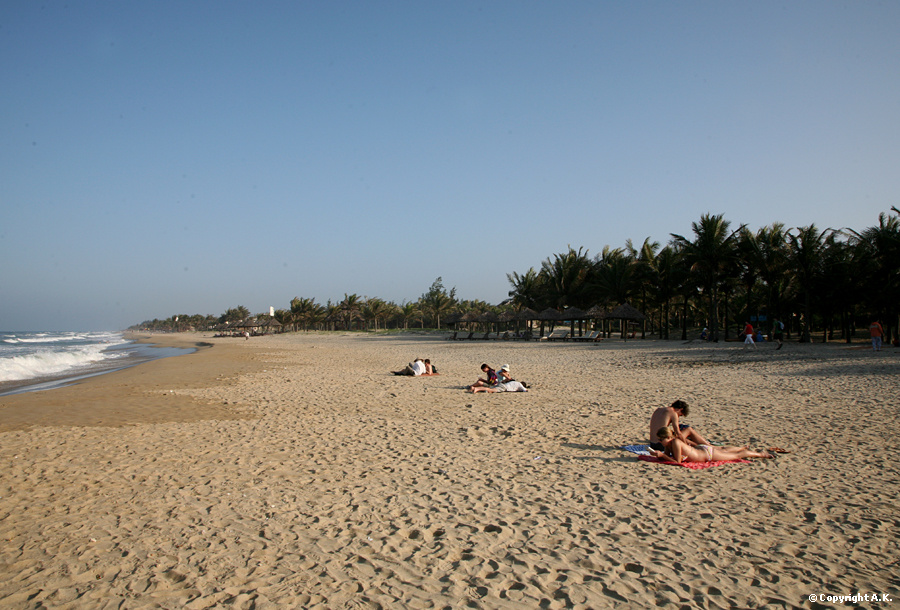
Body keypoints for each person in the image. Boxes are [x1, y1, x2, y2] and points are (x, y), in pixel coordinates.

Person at [649, 427, 775, 463]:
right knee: (724, 449)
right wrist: (658, 455)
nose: (660, 441)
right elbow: (666, 457)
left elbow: (677, 461)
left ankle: (761, 454)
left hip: (707, 454)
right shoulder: (669, 444)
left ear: (669, 437)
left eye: (661, 439)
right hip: (701, 450)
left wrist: (661, 455)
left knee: (737, 455)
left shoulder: (676, 442)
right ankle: (743, 446)